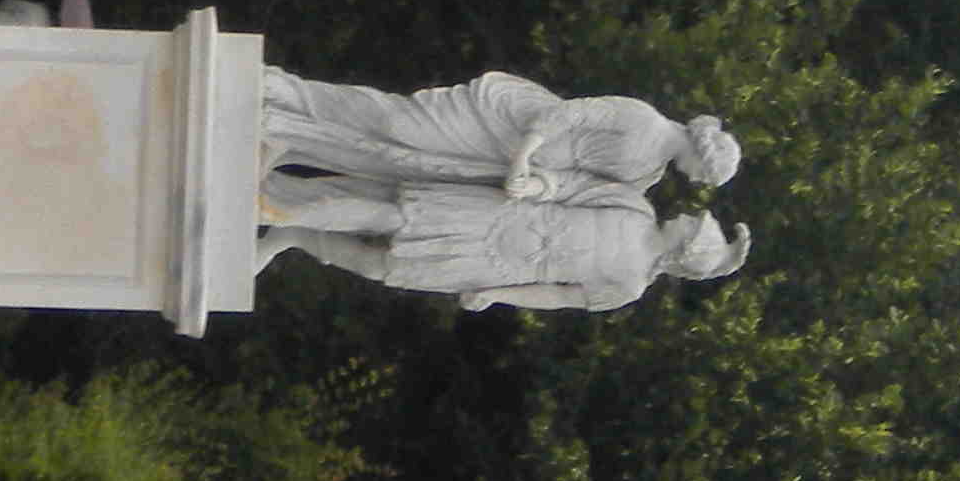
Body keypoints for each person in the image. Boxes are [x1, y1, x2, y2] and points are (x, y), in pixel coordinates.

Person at [258, 67, 739, 211]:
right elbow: (570, 113)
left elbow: (578, 186)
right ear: (704, 152)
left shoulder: (645, 178)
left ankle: (292, 141)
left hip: (508, 168)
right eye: (706, 175)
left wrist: (537, 185)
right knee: (398, 124)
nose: (698, 182)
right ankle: (287, 91)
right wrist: (525, 155)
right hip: (509, 128)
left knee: (393, 162)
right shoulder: (643, 121)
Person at [257, 182, 751, 313]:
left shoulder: (628, 286)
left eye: (695, 225)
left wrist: (497, 295)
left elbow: (558, 296)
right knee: (394, 217)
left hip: (494, 265)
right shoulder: (635, 208)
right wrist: (536, 183)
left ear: (686, 249)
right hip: (500, 216)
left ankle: (294, 236)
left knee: (383, 265)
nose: (689, 215)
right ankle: (284, 212)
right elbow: (567, 188)